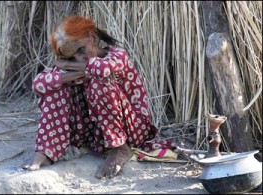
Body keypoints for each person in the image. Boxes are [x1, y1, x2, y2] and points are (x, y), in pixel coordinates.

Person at [23, 15, 174, 179]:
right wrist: (71, 73)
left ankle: (121, 148)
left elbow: (104, 71)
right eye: (71, 57)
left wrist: (67, 65)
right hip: (96, 135)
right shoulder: (82, 64)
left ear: (93, 38)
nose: (79, 58)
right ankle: (46, 151)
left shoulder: (118, 55)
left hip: (133, 129)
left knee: (100, 82)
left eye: (80, 50)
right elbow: (39, 84)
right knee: (55, 88)